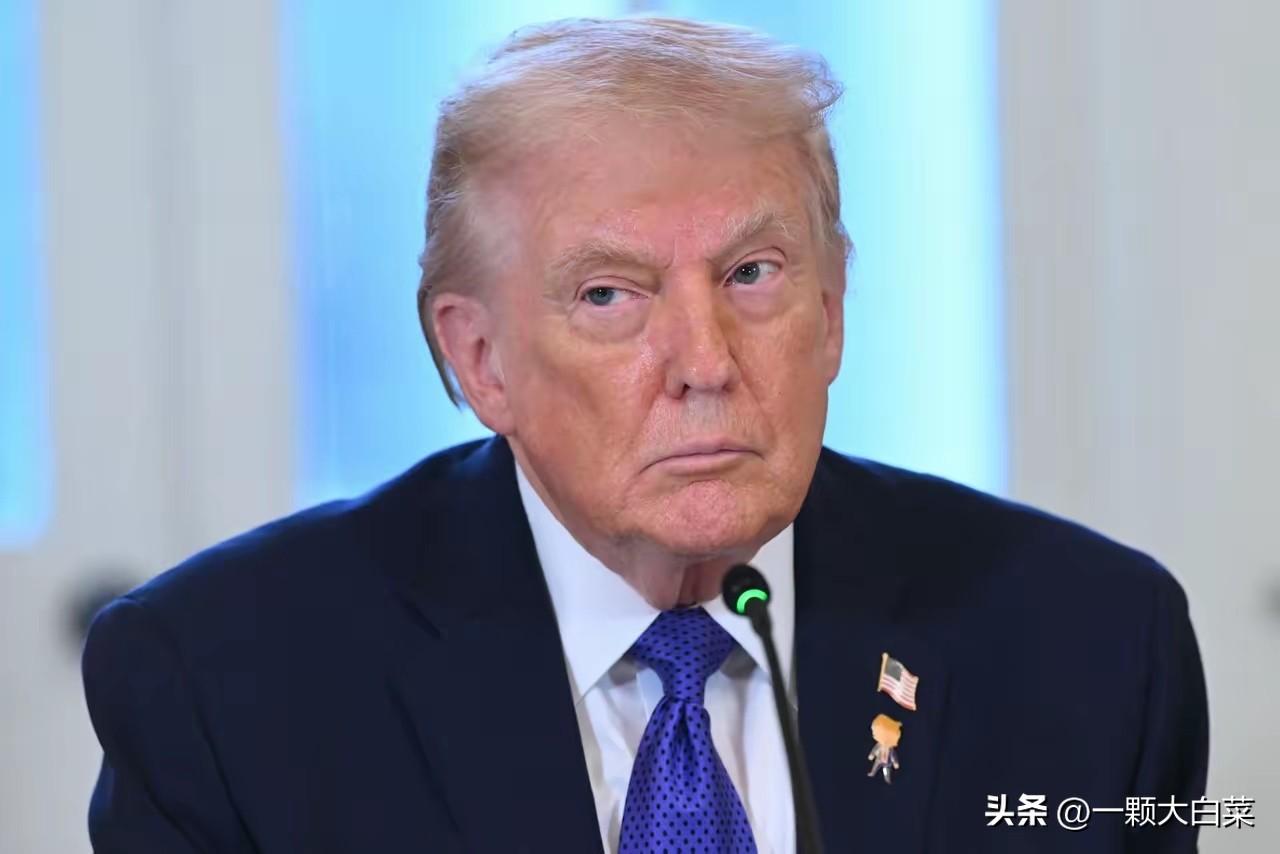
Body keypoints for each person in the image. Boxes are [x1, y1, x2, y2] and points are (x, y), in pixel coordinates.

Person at [81, 16, 1208, 854]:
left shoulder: (1092, 642)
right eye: (610, 295)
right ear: (479, 359)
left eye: (752, 274)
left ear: (830, 311)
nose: (705, 361)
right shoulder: (224, 685)